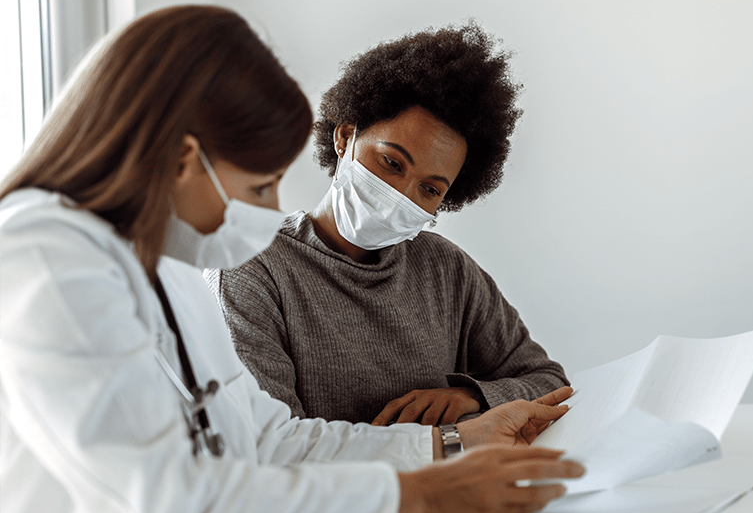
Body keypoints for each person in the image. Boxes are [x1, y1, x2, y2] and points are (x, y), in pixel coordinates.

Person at [0, 6, 583, 513]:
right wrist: (419, 498)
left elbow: (268, 440)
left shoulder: (167, 265)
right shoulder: (49, 259)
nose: (270, 211)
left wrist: (450, 442)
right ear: (182, 160)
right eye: (259, 185)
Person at [209, 23, 569, 427]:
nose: (401, 194)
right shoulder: (250, 267)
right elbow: (270, 447)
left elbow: (549, 382)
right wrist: (443, 443)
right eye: (392, 163)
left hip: (454, 489)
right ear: (345, 137)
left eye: (430, 189)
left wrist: (472, 396)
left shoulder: (447, 271)